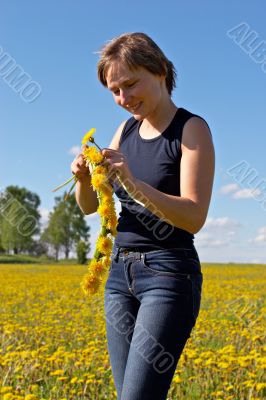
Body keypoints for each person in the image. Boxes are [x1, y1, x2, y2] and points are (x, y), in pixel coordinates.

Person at [72, 32, 215, 400]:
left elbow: (194, 215)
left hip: (168, 274)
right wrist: (84, 180)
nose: (123, 99)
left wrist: (133, 183)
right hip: (119, 276)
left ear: (161, 71)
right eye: (114, 91)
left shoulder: (191, 129)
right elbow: (89, 207)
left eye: (130, 84)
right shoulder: (125, 131)